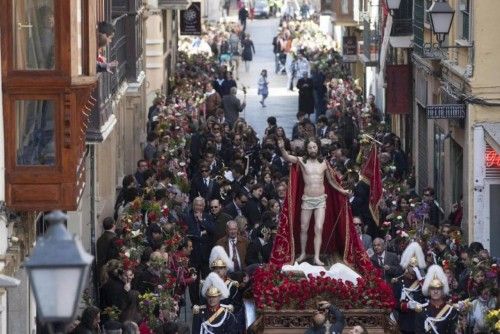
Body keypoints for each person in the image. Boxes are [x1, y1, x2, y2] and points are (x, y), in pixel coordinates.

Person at [278, 137, 349, 265]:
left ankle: (316, 256)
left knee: (319, 227)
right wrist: (282, 148)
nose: (312, 149)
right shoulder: (302, 161)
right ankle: (304, 253)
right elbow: (288, 158)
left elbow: (331, 181)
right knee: (304, 227)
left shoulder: (324, 163)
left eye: (314, 147)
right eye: (310, 147)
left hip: (321, 200)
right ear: (307, 149)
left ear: (318, 148)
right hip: (307, 199)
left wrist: (342, 191)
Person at [415, 265, 459, 334]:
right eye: (432, 288)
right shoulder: (421, 311)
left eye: (438, 288)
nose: (435, 291)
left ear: (442, 290)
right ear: (429, 291)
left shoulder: (450, 310)